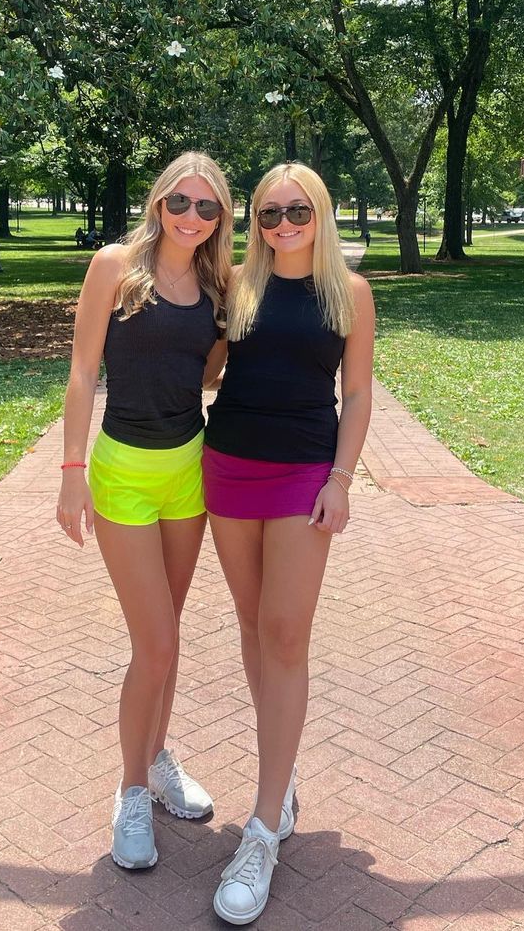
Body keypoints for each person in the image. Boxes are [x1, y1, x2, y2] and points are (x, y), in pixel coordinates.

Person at [203, 162, 375, 925]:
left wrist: (342, 478)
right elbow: (208, 370)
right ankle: (284, 779)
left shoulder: (349, 292)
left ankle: (263, 828)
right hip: (229, 464)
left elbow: (358, 392)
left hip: (304, 471)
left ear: (320, 213)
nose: (283, 225)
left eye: (297, 211)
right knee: (252, 626)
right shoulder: (237, 284)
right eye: (269, 214)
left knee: (284, 632)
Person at [57, 152, 233, 871]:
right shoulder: (114, 266)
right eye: (179, 201)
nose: (191, 216)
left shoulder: (219, 288)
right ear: (159, 202)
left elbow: (210, 373)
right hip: (123, 474)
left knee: (169, 633)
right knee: (154, 642)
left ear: (220, 218)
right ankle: (131, 792)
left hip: (188, 472)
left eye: (206, 206)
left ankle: (157, 760)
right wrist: (72, 473)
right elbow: (81, 371)